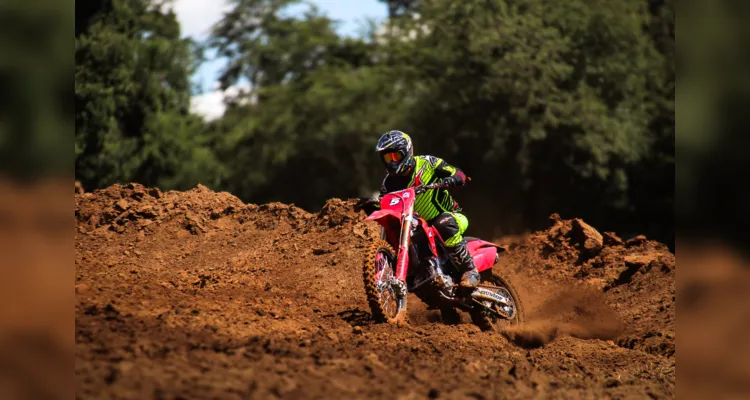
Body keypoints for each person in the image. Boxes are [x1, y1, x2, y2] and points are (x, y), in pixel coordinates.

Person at [363, 130, 480, 288]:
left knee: (442, 223)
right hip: (415, 224)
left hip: (450, 216)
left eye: (395, 156)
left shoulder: (428, 163)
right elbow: (386, 204)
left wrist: (453, 179)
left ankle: (470, 271)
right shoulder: (388, 183)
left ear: (407, 152)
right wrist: (371, 205)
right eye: (387, 158)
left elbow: (458, 173)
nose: (392, 162)